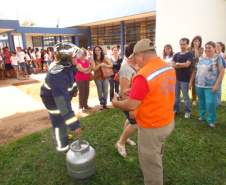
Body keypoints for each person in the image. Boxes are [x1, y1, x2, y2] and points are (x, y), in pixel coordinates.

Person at [112, 39, 176, 185]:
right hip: (167, 121)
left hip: (152, 126)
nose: (136, 63)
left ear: (140, 55)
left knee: (151, 164)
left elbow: (131, 104)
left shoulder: (143, 74)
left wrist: (116, 103)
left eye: (135, 59)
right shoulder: (168, 67)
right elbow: (159, 90)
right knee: (157, 150)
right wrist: (135, 91)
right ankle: (156, 161)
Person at [40, 42, 81, 152]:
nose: (78, 58)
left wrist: (74, 90)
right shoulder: (57, 74)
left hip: (60, 98)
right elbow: (62, 104)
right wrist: (74, 125)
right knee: (59, 123)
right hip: (53, 102)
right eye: (75, 56)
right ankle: (62, 147)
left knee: (64, 119)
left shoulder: (68, 66)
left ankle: (64, 136)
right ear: (66, 58)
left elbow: (71, 77)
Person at [190, 41, 225, 128]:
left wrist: (217, 85)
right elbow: (195, 70)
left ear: (214, 48)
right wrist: (192, 82)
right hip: (199, 85)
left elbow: (222, 72)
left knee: (210, 103)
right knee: (201, 102)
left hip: (211, 86)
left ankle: (211, 120)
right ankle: (202, 116)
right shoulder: (201, 58)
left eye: (209, 47)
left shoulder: (218, 58)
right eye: (206, 48)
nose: (207, 49)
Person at [115, 42, 138, 158]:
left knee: (130, 121)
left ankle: (126, 137)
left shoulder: (136, 65)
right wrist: (130, 108)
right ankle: (121, 143)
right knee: (136, 124)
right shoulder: (126, 68)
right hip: (128, 100)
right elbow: (124, 91)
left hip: (134, 99)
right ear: (133, 54)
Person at [173, 38, 193, 118]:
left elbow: (187, 65)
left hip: (185, 79)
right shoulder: (176, 54)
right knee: (176, 96)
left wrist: (177, 64)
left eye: (184, 44)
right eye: (181, 44)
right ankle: (176, 110)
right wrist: (180, 64)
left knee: (185, 97)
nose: (182, 46)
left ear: (187, 44)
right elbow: (172, 64)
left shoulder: (190, 54)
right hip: (176, 79)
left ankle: (188, 111)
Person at [190, 36, 204, 106]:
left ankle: (197, 99)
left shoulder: (201, 49)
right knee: (192, 84)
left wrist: (195, 49)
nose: (196, 42)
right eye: (195, 41)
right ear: (192, 42)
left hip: (198, 69)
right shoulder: (189, 49)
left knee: (197, 85)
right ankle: (193, 99)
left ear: (200, 42)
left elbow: (197, 58)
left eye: (198, 41)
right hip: (190, 69)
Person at [215, 42, 226, 106]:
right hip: (213, 73)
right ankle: (214, 101)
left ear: (222, 47)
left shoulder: (223, 55)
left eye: (218, 46)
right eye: (216, 46)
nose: (217, 47)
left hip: (220, 73)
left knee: (219, 87)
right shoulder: (213, 54)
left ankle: (218, 102)